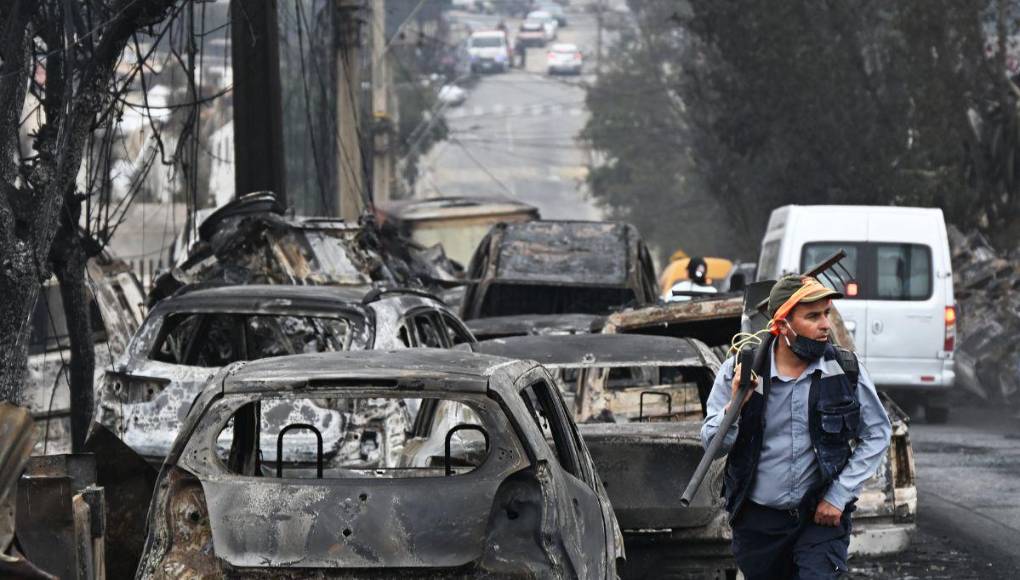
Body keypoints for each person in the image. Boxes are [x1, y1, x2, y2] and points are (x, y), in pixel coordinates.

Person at [701, 275, 892, 579]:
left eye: (826, 313)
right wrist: (736, 403)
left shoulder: (843, 369)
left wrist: (838, 495)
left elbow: (878, 433)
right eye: (813, 316)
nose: (825, 325)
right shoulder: (741, 370)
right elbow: (713, 445)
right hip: (757, 524)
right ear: (783, 324)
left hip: (819, 520)